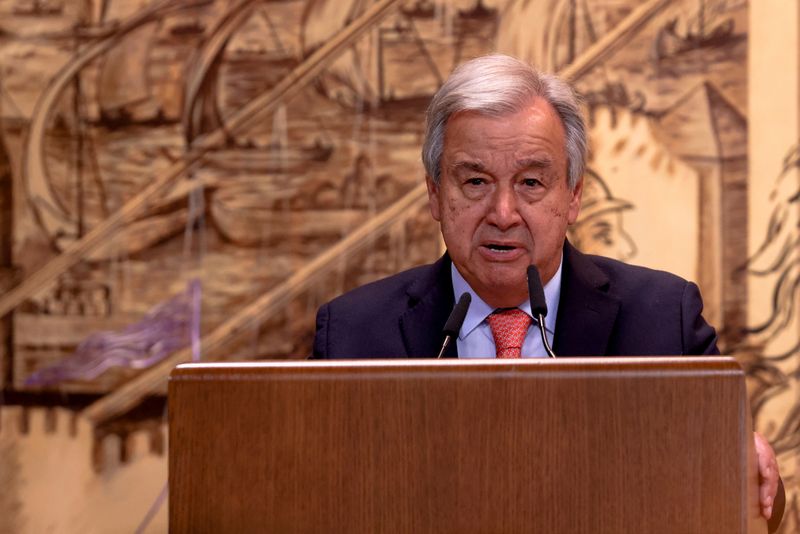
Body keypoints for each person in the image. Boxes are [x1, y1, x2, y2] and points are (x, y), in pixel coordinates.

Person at [311, 54, 783, 526]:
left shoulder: (663, 321)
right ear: (436, 194)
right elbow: (307, 501)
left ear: (573, 195)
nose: (503, 213)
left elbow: (746, 505)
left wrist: (753, 470)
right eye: (475, 181)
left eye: (531, 182)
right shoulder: (354, 335)